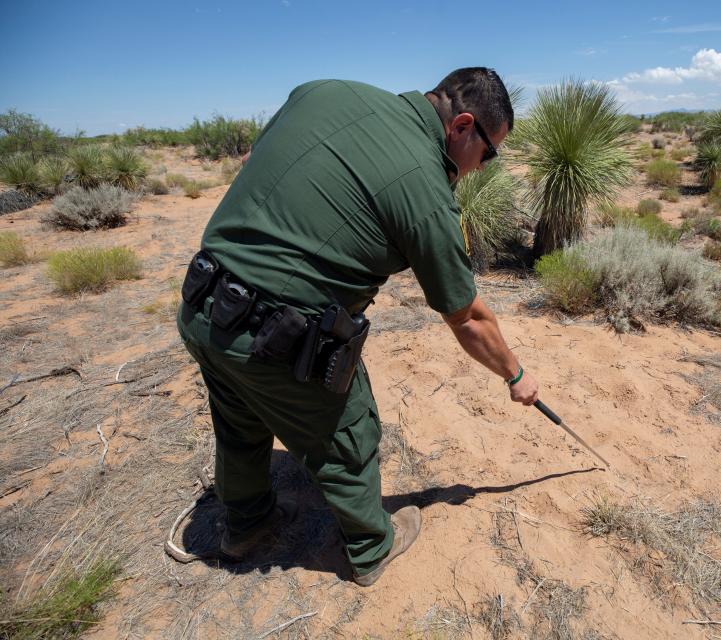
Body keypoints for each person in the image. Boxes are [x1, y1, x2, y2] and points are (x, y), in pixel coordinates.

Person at [176, 67, 539, 586]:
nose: (483, 168)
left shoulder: (324, 90)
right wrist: (515, 375)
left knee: (239, 417)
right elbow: (468, 317)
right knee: (349, 426)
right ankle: (371, 547)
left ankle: (246, 526)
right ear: (462, 126)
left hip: (202, 306)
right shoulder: (427, 191)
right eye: (489, 153)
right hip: (276, 333)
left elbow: (254, 161)